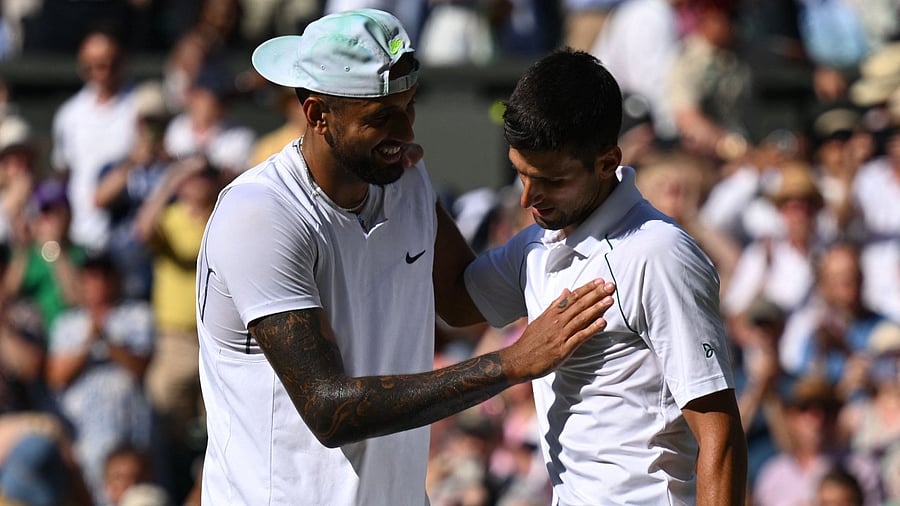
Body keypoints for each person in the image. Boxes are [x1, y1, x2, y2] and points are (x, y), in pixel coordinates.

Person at [197, 9, 615, 505]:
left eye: (409, 106)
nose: (404, 130)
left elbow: (462, 299)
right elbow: (329, 410)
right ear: (317, 114)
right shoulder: (260, 215)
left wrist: (587, 234)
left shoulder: (406, 180)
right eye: (380, 117)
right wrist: (512, 364)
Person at [462, 48, 748, 504]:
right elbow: (458, 304)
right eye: (521, 175)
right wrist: (408, 182)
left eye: (552, 181)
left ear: (605, 161)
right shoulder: (539, 241)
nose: (528, 198)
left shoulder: (660, 253)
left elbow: (721, 436)